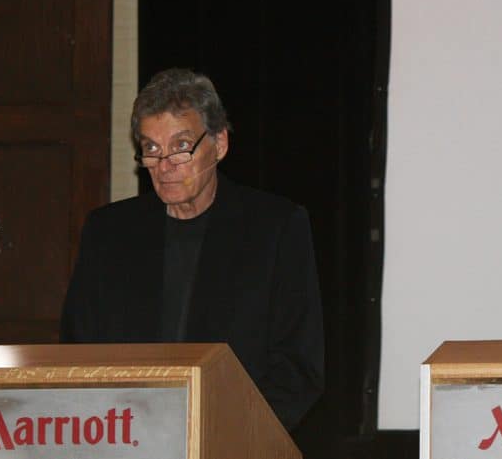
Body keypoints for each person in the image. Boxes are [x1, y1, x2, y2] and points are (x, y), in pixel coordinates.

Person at [61, 68, 324, 430]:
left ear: (219, 145)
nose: (164, 165)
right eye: (152, 149)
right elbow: (79, 353)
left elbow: (297, 367)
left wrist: (233, 437)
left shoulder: (274, 228)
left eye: (181, 147)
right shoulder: (108, 232)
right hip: (128, 438)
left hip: (235, 439)